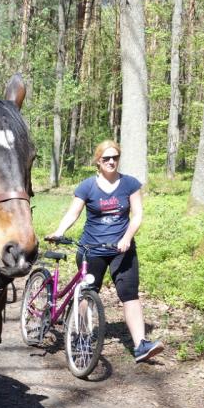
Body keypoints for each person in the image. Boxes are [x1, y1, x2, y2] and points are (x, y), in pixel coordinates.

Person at [48, 140, 164, 363]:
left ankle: (141, 345)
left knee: (129, 294)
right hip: (91, 249)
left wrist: (127, 238)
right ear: (98, 161)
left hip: (122, 249)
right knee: (87, 292)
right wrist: (59, 231)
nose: (111, 161)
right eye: (106, 158)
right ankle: (80, 337)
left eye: (115, 157)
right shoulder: (87, 186)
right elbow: (73, 213)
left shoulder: (130, 184)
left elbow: (137, 215)